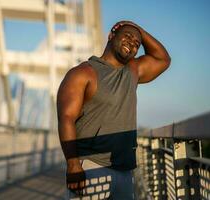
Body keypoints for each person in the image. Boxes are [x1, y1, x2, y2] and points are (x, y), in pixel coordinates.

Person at [57, 20, 171, 199]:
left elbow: (163, 59)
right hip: (91, 167)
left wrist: (138, 29)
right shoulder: (83, 73)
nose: (132, 43)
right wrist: (73, 164)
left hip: (125, 171)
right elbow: (66, 118)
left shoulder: (133, 71)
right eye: (127, 36)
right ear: (111, 36)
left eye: (136, 44)